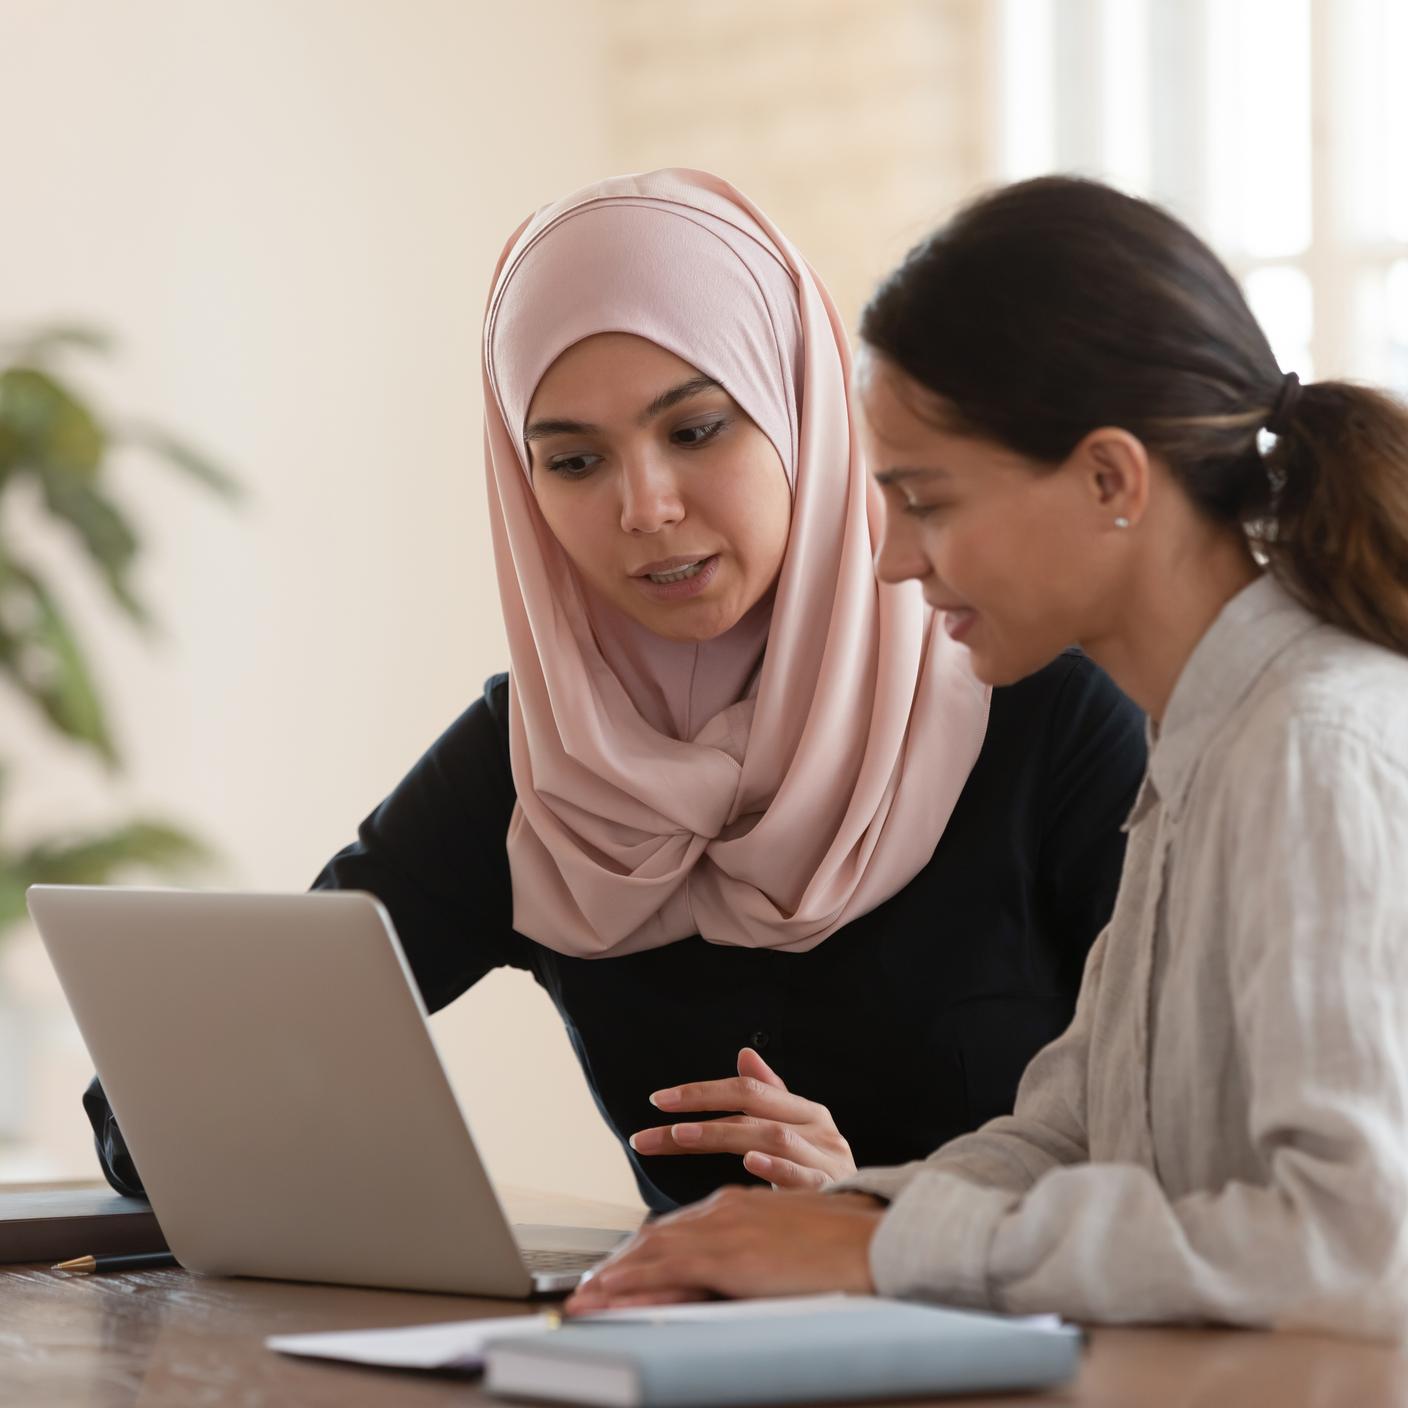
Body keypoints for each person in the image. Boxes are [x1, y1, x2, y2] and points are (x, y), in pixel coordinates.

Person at [83, 170, 1143, 1217]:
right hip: (665, 1368)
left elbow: (1182, 1161)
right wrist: (266, 1123)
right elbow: (152, 1114)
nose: (644, 507)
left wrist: (882, 1209)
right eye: (576, 461)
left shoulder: (1041, 710)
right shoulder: (544, 759)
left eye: (694, 431)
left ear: (801, 414)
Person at [564, 175, 1408, 1340]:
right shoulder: (1197, 742)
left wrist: (887, 1247)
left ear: (1110, 479)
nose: (895, 557)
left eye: (925, 499)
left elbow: (1357, 1243)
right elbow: (1068, 1133)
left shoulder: (1310, 747)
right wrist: (822, 1223)